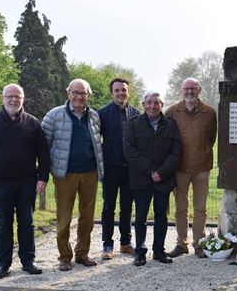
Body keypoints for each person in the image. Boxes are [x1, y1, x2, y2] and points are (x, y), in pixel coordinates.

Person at [0, 84, 50, 279]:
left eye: (17, 96)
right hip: (0, 185)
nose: (14, 100)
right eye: (10, 96)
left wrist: (42, 178)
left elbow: (43, 154)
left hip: (27, 184)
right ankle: (4, 264)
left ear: (23, 99)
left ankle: (28, 261)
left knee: (27, 223)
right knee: (3, 224)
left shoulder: (33, 123)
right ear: (3, 98)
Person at [42, 79, 104, 271]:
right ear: (68, 93)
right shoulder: (54, 115)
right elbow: (43, 146)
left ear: (88, 95)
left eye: (83, 93)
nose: (79, 96)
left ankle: (82, 253)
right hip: (65, 175)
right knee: (64, 217)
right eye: (75, 92)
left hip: (90, 173)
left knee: (87, 216)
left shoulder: (94, 116)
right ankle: (65, 257)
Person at [124, 92, 181, 266]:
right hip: (141, 179)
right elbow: (130, 151)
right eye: (149, 103)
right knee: (140, 217)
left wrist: (161, 172)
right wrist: (151, 170)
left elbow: (176, 151)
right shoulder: (133, 124)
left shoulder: (171, 125)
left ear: (161, 105)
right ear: (143, 104)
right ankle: (140, 252)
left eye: (156, 103)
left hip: (163, 180)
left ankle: (159, 251)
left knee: (161, 217)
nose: (152, 106)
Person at [165, 78, 217, 259]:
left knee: (200, 208)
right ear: (181, 90)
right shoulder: (172, 111)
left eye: (193, 88)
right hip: (179, 167)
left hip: (202, 167)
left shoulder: (209, 112)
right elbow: (166, 139)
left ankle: (199, 244)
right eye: (186, 89)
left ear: (199, 90)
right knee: (180, 208)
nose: (189, 92)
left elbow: (211, 138)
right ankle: (181, 244)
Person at [97, 78, 140, 260]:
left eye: (124, 90)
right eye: (117, 90)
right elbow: (95, 140)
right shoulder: (102, 114)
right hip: (110, 167)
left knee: (127, 208)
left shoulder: (136, 114)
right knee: (108, 207)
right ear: (111, 93)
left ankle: (125, 242)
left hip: (130, 168)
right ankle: (107, 245)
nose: (121, 93)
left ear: (128, 92)